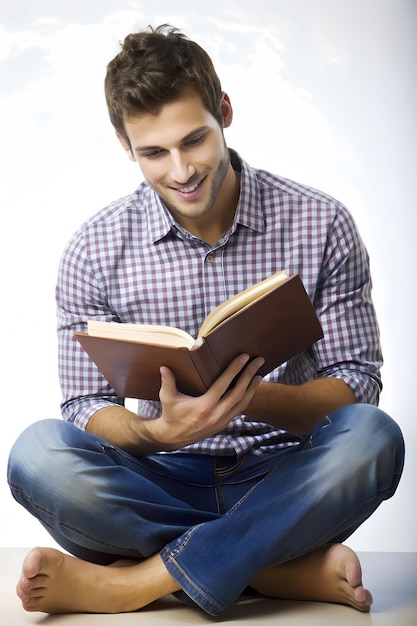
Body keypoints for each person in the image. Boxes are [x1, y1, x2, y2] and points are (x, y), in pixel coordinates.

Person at [7, 25, 404, 617]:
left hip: (283, 477)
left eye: (194, 140)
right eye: (154, 153)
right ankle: (272, 567)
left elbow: (357, 386)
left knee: (373, 439)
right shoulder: (94, 249)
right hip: (156, 479)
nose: (181, 171)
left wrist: (248, 401)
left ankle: (133, 583)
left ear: (224, 112)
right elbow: (83, 408)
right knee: (36, 453)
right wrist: (158, 435)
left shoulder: (321, 223)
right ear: (125, 146)